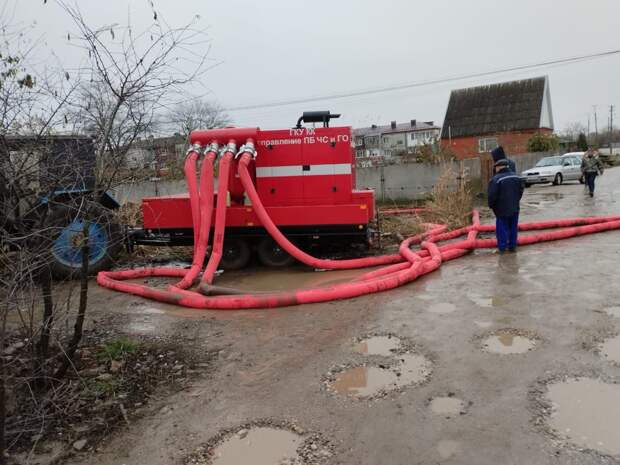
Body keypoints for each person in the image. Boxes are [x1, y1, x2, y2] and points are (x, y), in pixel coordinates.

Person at [488, 158, 524, 253]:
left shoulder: (496, 179)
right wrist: (515, 201)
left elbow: (492, 195)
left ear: (499, 167)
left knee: (502, 229)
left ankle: (502, 248)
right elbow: (520, 191)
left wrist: (491, 205)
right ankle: (512, 247)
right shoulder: (517, 177)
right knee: (513, 227)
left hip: (501, 209)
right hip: (515, 207)